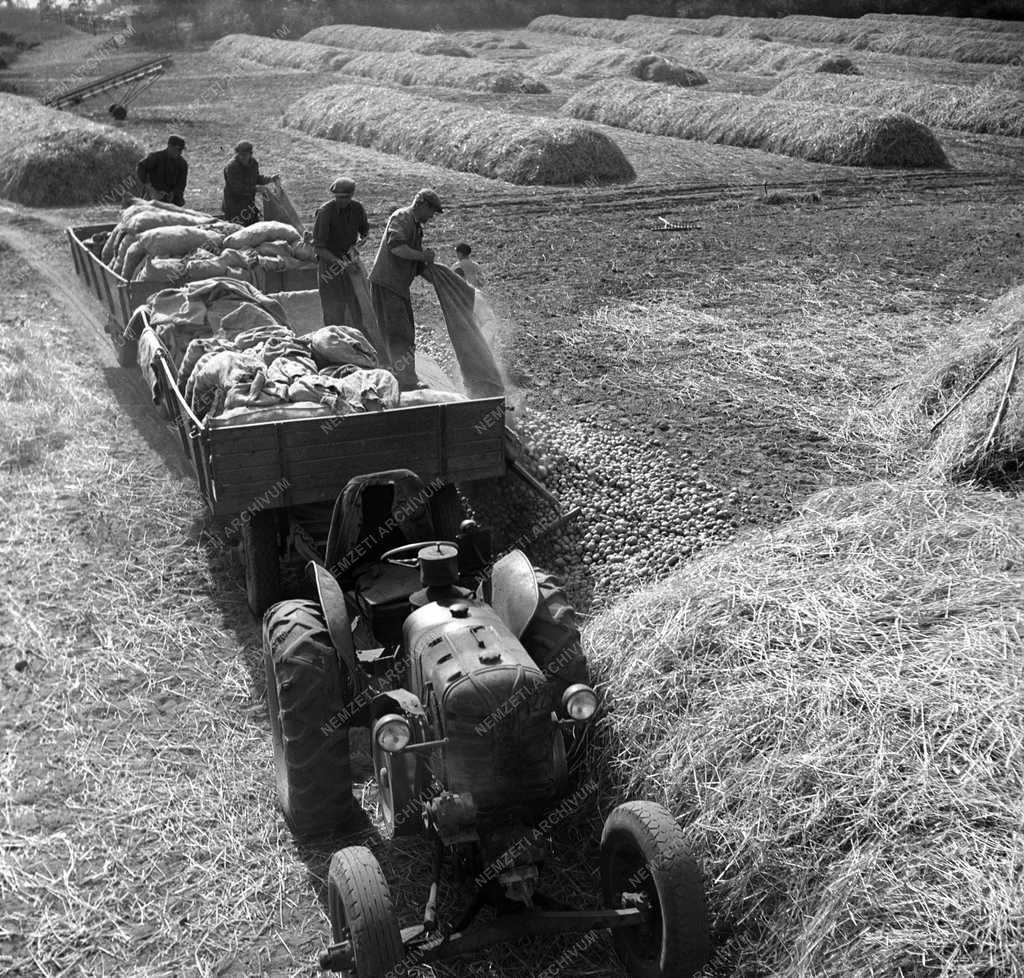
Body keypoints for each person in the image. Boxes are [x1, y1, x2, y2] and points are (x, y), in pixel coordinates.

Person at [369, 187, 444, 391]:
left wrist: (442, 283)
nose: (431, 217)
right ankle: (406, 382)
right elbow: (397, 248)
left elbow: (418, 266)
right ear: (421, 205)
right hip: (386, 283)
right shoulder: (401, 217)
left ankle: (400, 377)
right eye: (432, 212)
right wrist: (424, 256)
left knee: (404, 332)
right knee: (399, 333)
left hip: (398, 287)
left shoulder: (417, 227)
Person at [313, 177, 370, 330]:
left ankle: (357, 344)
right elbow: (318, 248)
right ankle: (334, 346)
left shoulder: (358, 209)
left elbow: (365, 232)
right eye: (339, 197)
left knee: (356, 307)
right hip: (329, 267)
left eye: (346, 197)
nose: (342, 201)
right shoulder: (325, 212)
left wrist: (358, 244)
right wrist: (342, 264)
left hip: (350, 262)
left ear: (352, 196)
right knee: (333, 311)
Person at [221, 141, 279, 226]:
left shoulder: (253, 163)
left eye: (245, 155)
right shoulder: (232, 167)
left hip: (248, 206)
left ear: (250, 154)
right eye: (240, 155)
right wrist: (256, 189)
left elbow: (255, 178)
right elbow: (238, 189)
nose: (242, 157)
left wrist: (270, 179)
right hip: (234, 207)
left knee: (253, 231)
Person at [135, 134, 188, 206]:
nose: (179, 152)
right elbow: (141, 168)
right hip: (153, 195)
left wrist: (173, 194)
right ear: (169, 146)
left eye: (181, 150)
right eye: (177, 149)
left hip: (171, 200)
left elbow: (181, 185)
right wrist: (150, 188)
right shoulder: (156, 157)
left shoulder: (183, 164)